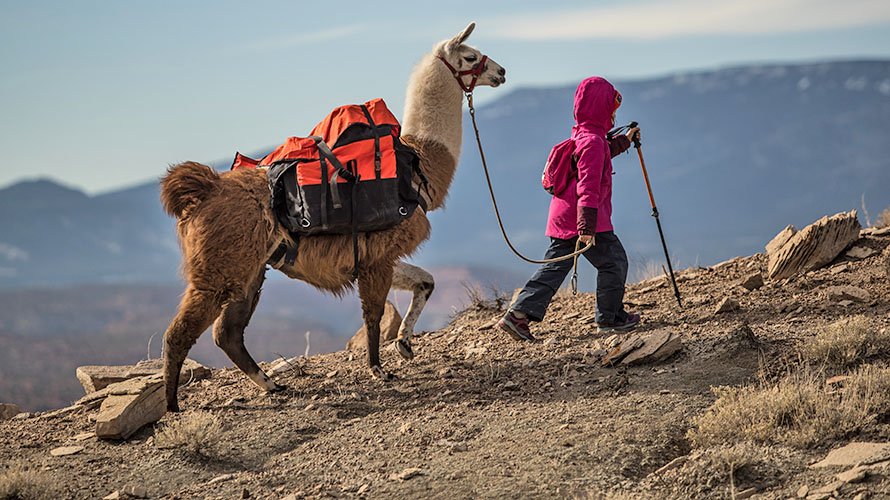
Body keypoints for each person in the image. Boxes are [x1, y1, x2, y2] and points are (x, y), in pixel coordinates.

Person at [499, 76, 641, 342]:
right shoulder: (594, 142)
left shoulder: (584, 136)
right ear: (602, 109)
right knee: (614, 262)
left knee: (555, 267)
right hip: (585, 219)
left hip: (563, 217)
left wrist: (625, 141)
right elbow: (588, 186)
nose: (614, 115)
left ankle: (518, 315)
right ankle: (611, 319)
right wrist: (587, 227)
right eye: (612, 109)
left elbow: (599, 156)